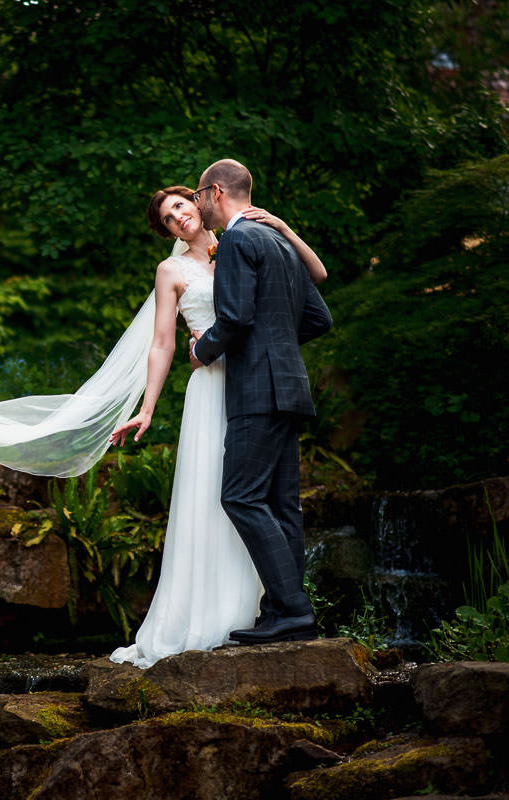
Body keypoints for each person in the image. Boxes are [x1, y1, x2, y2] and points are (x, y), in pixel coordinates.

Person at [105, 185, 327, 667]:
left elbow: (294, 295)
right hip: (214, 390)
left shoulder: (244, 241)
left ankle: (276, 608)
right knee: (217, 496)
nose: (177, 217)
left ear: (202, 200)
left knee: (255, 498)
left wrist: (284, 228)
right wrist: (147, 407)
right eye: (166, 218)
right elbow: (163, 343)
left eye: (180, 205)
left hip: (255, 384)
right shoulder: (172, 270)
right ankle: (225, 610)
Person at [188, 158, 333, 646]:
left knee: (241, 496)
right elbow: (319, 319)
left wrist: (200, 351)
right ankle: (284, 610)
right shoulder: (278, 242)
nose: (197, 206)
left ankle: (291, 611)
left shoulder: (236, 240)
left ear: (214, 192)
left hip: (257, 389)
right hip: (290, 387)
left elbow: (233, 317)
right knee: (281, 505)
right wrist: (279, 346)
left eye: (198, 197)